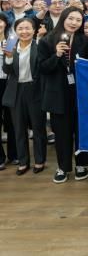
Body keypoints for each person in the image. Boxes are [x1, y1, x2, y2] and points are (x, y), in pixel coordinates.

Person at [37, 7, 88, 183]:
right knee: (62, 133)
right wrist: (56, 55)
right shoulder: (47, 40)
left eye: (78, 20)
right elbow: (42, 68)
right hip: (57, 93)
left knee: (80, 130)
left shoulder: (84, 40)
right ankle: (63, 167)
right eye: (71, 18)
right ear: (63, 18)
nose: (74, 23)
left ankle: (81, 164)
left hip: (79, 93)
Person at [2, 17, 47, 175]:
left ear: (34, 30)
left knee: (38, 128)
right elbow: (7, 70)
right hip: (16, 91)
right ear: (15, 31)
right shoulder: (11, 45)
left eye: (28, 28)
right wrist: (8, 56)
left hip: (35, 90)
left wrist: (41, 39)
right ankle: (23, 161)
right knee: (19, 128)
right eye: (20, 28)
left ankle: (40, 160)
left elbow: (42, 66)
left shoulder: (39, 45)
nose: (24, 31)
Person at [0, 13, 18, 169]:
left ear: (5, 23)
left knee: (12, 119)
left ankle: (15, 154)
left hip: (9, 82)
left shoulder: (12, 39)